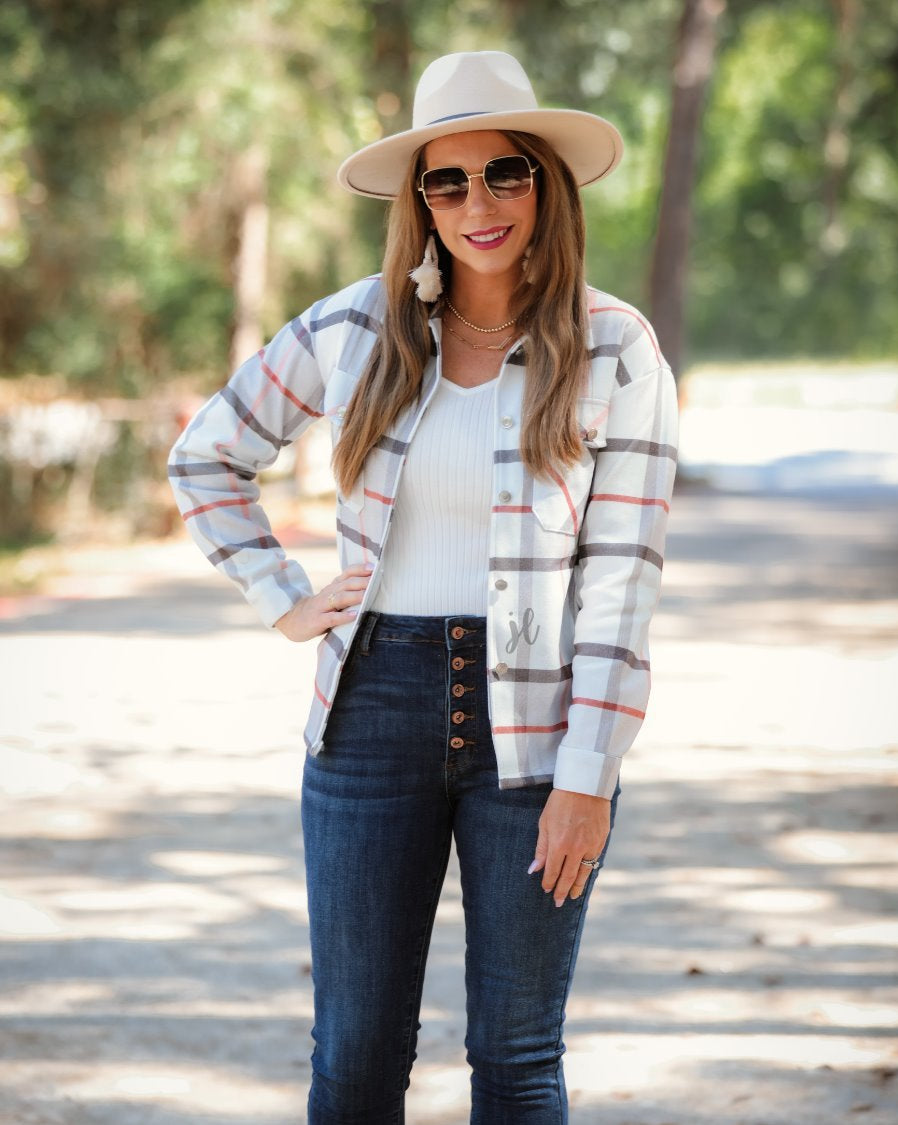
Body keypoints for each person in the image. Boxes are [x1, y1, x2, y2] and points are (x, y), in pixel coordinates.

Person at [168, 49, 678, 1125]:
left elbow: (622, 588)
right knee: (354, 1058)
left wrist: (589, 771)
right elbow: (204, 455)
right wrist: (281, 594)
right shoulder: (355, 328)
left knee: (517, 1056)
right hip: (372, 713)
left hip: (538, 734)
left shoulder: (616, 350)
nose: (477, 203)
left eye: (505, 173)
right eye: (447, 181)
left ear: (549, 184)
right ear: (420, 201)